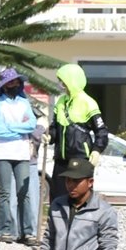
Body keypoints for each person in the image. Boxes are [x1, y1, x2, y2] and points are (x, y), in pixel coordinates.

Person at [0, 68, 37, 245]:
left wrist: (10, 127)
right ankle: (5, 230)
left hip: (22, 152)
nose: (13, 84)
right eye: (10, 82)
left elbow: (32, 125)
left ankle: (28, 232)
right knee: (5, 192)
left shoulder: (25, 103)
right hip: (2, 152)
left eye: (15, 81)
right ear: (3, 85)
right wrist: (19, 129)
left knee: (24, 192)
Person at [49, 64, 109, 196]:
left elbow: (102, 132)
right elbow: (55, 127)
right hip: (61, 161)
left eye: (63, 80)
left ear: (72, 80)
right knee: (57, 199)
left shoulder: (88, 102)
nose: (60, 83)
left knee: (78, 198)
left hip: (80, 160)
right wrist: (49, 135)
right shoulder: (60, 102)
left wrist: (97, 150)